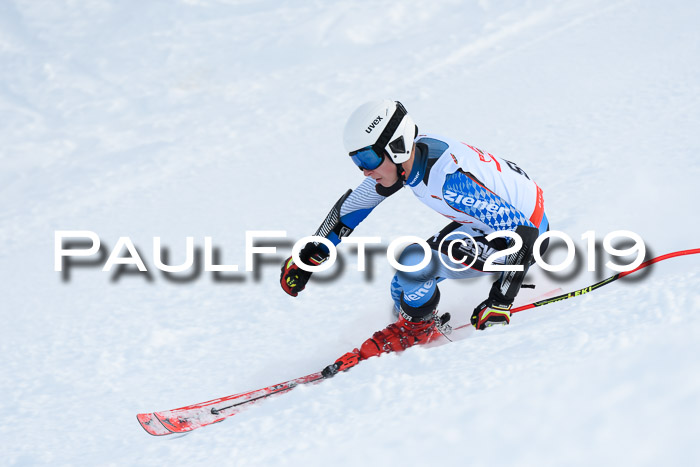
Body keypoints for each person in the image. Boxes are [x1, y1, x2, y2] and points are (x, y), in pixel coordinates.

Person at [280, 100, 549, 377]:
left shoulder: (449, 179)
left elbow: (524, 234)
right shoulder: (411, 157)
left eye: (369, 159)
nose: (364, 170)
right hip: (489, 224)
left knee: (413, 265)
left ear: (396, 146)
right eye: (357, 161)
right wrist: (307, 256)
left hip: (524, 237)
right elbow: (353, 208)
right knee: (401, 288)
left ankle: (415, 331)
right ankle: (417, 328)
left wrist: (500, 302)